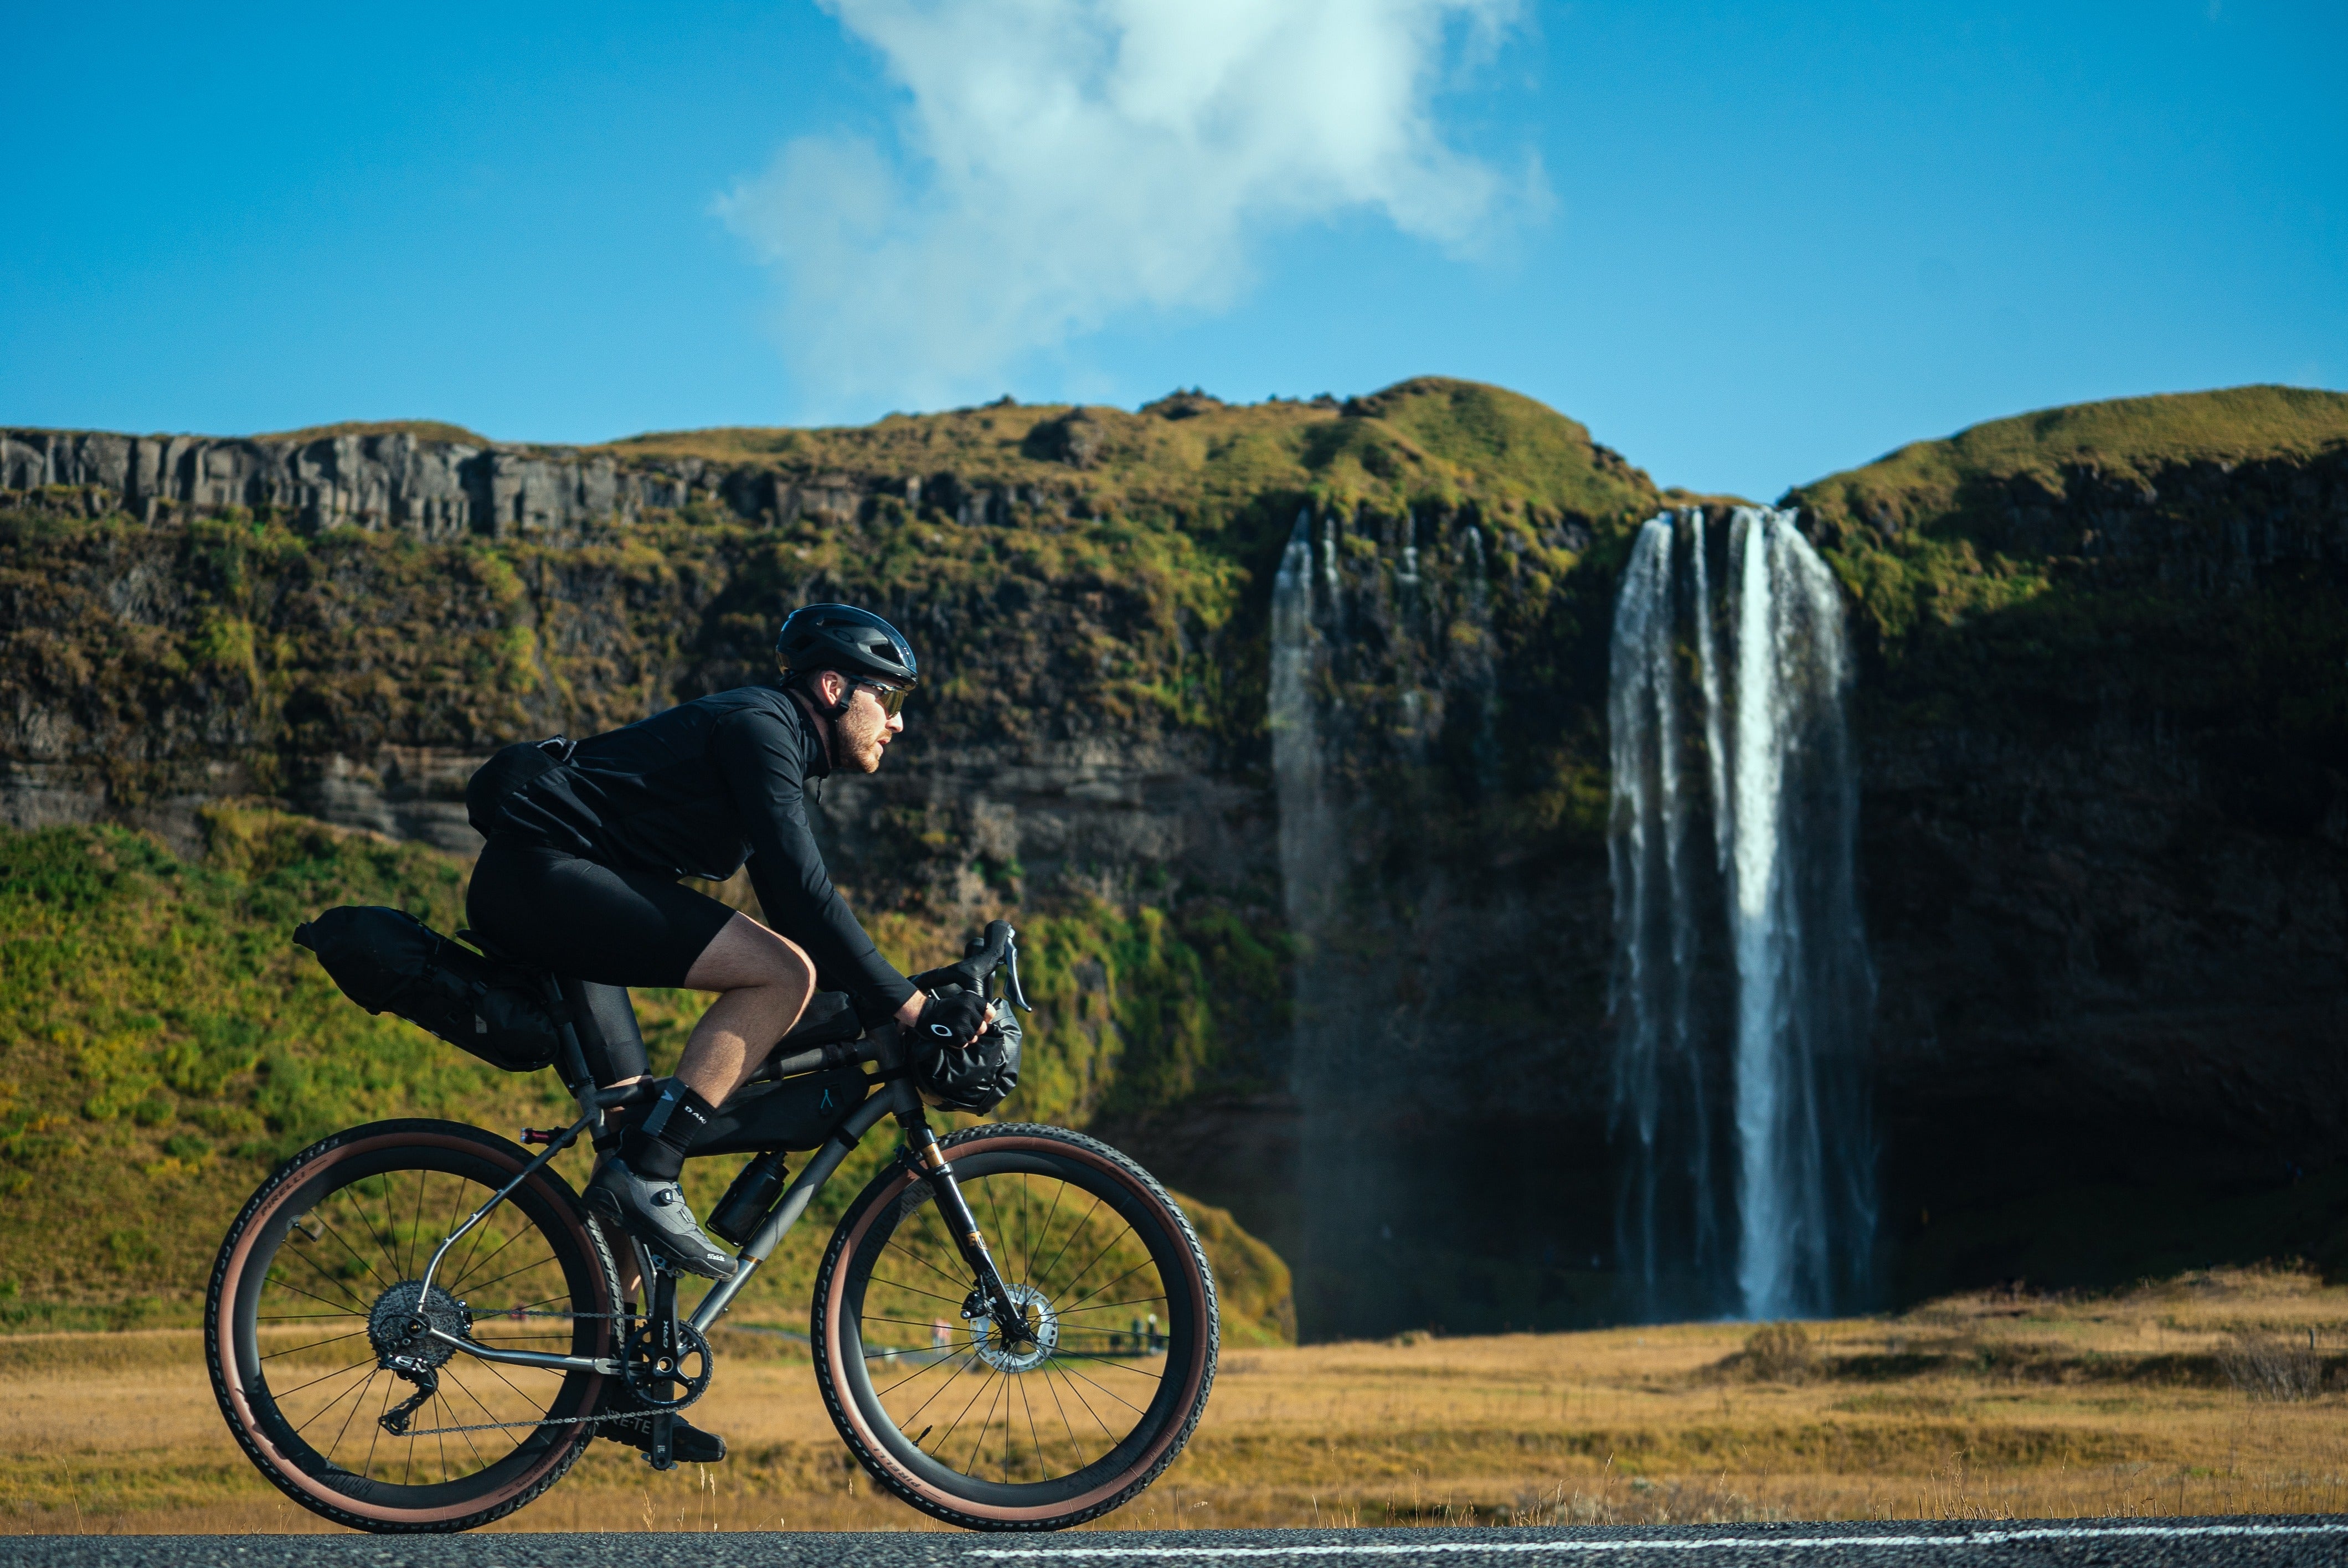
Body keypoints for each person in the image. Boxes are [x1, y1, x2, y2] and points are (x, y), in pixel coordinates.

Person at [463, 603, 988, 1462]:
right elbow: (798, 896)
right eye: (888, 698)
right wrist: (910, 1009)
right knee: (782, 972)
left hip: (556, 888)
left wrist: (906, 994)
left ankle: (611, 1383)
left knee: (635, 1132)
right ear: (832, 685)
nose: (899, 721)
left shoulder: (777, 744)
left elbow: (805, 901)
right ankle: (657, 1176)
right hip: (544, 878)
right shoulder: (761, 726)